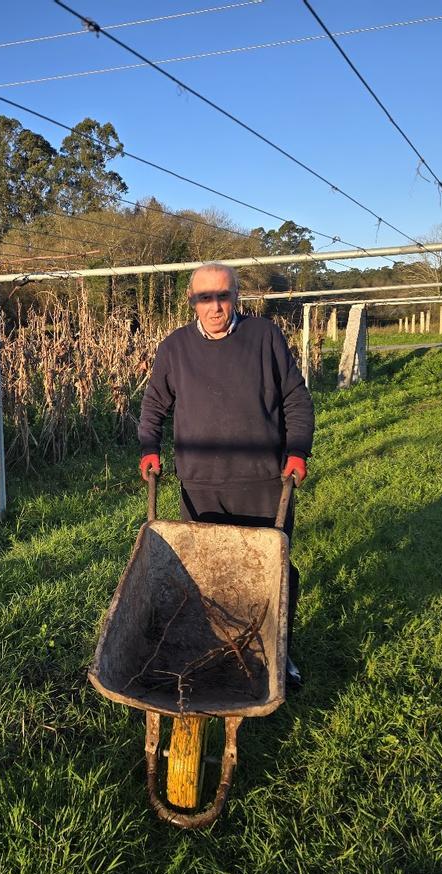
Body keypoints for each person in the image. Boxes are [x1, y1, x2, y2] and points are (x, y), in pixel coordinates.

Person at [137, 262, 315, 686]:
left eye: (223, 295)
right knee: (205, 572)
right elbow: (154, 405)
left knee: (271, 567)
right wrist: (149, 447)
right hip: (200, 484)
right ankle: (210, 645)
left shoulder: (264, 337)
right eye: (205, 298)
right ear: (191, 301)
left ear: (236, 295)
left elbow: (296, 399)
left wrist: (297, 451)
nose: (215, 306)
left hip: (264, 482)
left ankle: (278, 650)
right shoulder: (175, 348)